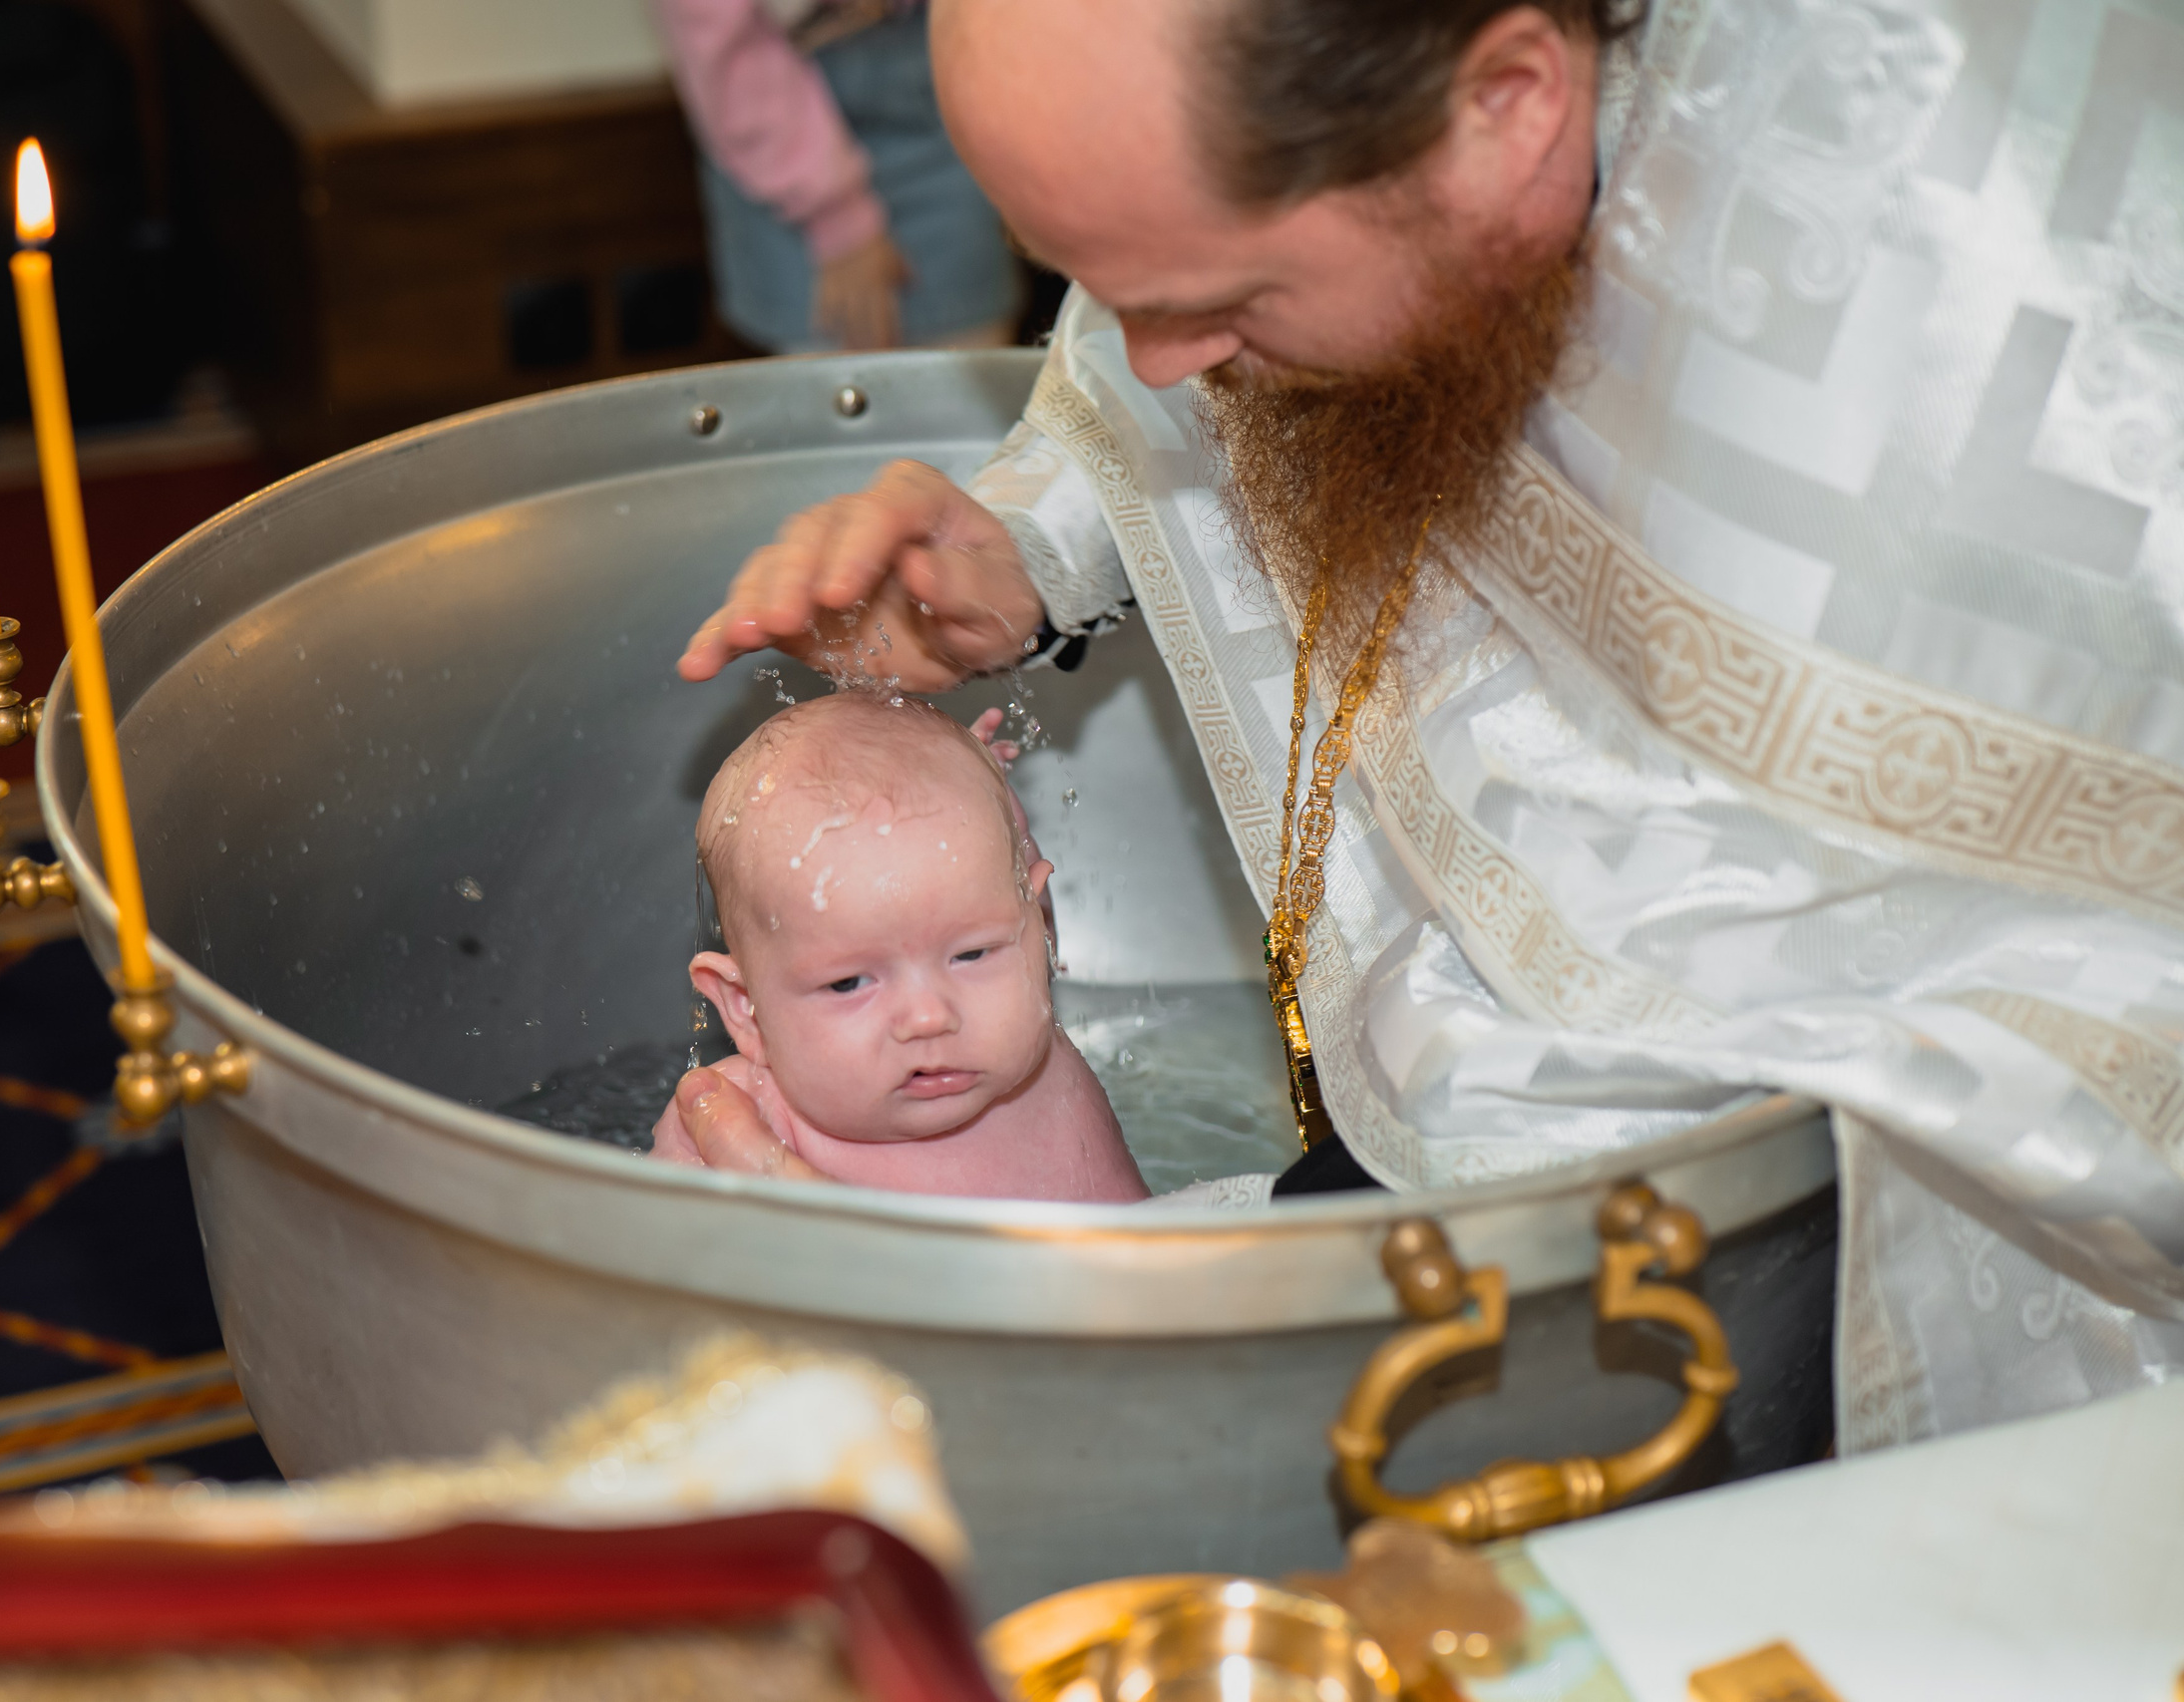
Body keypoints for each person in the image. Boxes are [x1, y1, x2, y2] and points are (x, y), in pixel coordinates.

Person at [669, 0, 2184, 1456]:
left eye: (1220, 303)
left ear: (1508, 109)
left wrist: (968, 1290)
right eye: (1100, 283)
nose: (1154, 361)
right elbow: (1164, 340)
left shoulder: (1983, 321)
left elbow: (1786, 977)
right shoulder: (1349, 111)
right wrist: (1029, 550)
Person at [654, 692, 1149, 1200]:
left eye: (972, 954)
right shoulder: (740, 1121)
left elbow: (1020, 897)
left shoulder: (1031, 1047)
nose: (929, 1017)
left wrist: (984, 802)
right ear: (746, 1011)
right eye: (848, 983)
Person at [651, 0, 1020, 351]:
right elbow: (724, 48)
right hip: (775, 117)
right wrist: (835, 216)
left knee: (966, 372)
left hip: (940, 64)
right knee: (829, 379)